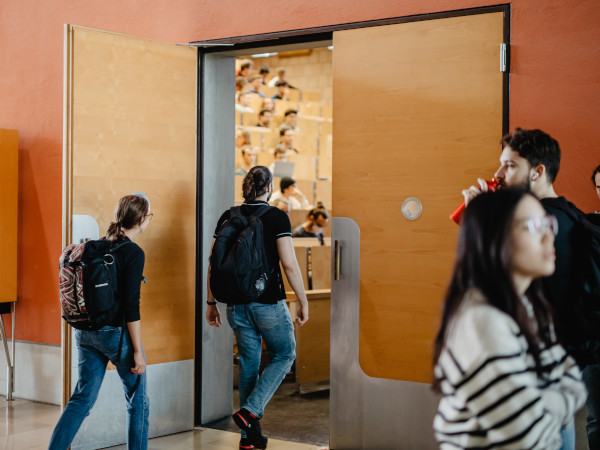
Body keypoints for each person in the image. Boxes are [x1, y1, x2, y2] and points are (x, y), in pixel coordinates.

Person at [461, 128, 598, 448]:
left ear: (537, 172)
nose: (498, 174)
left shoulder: (538, 223)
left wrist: (477, 220)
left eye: (510, 165)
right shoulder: (567, 214)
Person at [433, 188, 586, 449]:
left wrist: (536, 404)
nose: (549, 235)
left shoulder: (526, 305)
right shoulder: (483, 321)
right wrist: (549, 401)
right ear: (495, 238)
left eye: (548, 223)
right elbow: (523, 436)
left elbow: (573, 381)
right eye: (533, 226)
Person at [206, 166, 309, 450]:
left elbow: (214, 263)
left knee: (250, 365)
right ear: (270, 187)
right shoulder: (277, 217)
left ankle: (248, 438)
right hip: (268, 304)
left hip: (235, 306)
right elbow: (288, 263)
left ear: (245, 188)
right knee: (285, 353)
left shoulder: (228, 216)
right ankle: (251, 412)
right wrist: (303, 300)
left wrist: (211, 302)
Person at [49, 193, 151, 450]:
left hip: (85, 333)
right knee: (138, 401)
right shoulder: (133, 252)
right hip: (114, 335)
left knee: (81, 399)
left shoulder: (94, 246)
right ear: (141, 220)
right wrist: (138, 351)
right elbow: (131, 305)